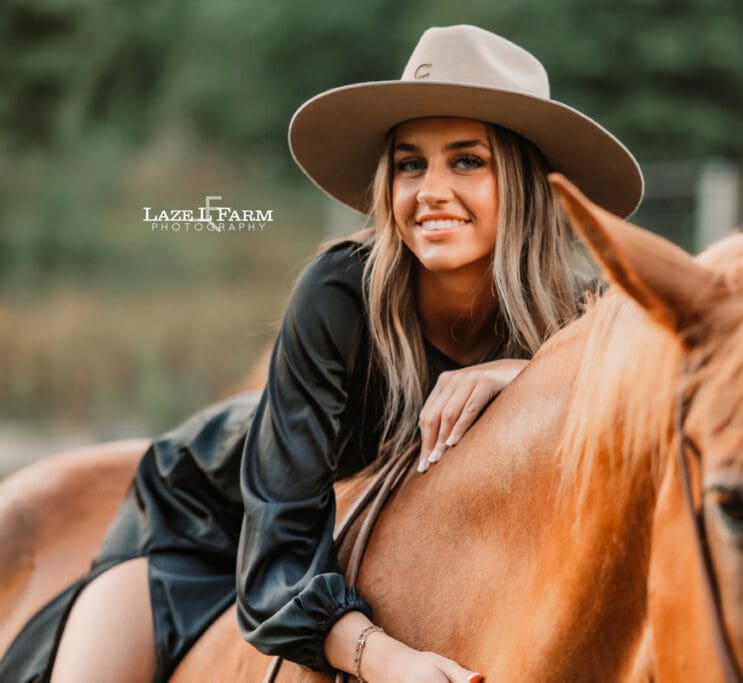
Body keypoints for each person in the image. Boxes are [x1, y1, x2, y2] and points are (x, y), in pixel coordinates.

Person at [0, 24, 642, 683]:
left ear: (526, 181)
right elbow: (280, 533)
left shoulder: (579, 320)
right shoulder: (340, 293)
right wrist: (382, 657)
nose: (431, 189)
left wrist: (522, 373)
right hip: (216, 526)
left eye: (467, 160)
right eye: (410, 163)